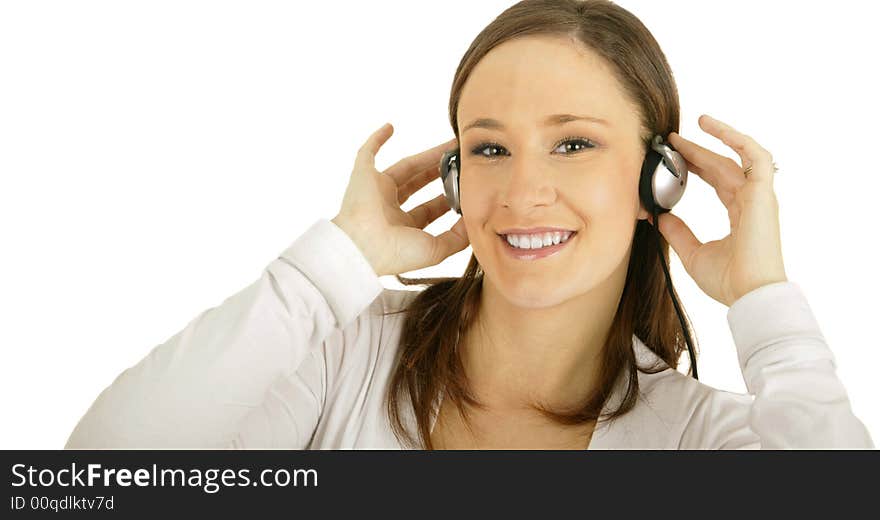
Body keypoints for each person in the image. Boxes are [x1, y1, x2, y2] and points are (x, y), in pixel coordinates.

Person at [65, 0, 873, 450]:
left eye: (574, 143)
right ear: (455, 175)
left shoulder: (702, 439)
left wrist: (766, 306)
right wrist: (330, 267)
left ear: (656, 181)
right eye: (489, 147)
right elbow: (98, 477)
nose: (522, 192)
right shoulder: (340, 351)